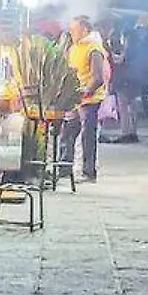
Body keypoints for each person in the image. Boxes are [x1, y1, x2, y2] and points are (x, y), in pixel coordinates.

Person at [58, 16, 109, 182]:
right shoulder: (74, 47)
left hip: (90, 100)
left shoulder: (94, 49)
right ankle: (64, 169)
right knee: (67, 133)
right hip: (75, 99)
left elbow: (98, 77)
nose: (71, 32)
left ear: (85, 29)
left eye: (75, 29)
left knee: (88, 136)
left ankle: (89, 171)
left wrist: (86, 92)